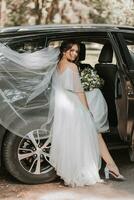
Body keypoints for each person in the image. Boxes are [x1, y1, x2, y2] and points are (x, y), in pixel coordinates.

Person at [49, 40, 125, 186]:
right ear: (64, 51)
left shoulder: (57, 66)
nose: (75, 54)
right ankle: (110, 167)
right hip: (73, 106)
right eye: (72, 50)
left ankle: (77, 171)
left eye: (77, 51)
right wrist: (87, 111)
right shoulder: (72, 66)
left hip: (62, 108)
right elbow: (79, 91)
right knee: (95, 133)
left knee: (75, 140)